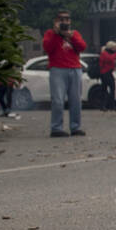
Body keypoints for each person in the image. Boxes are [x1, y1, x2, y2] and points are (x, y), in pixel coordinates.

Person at [42, 9, 87, 137]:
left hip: (75, 68)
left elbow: (82, 47)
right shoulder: (50, 33)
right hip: (57, 69)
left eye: (67, 19)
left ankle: (75, 127)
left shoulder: (74, 33)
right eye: (61, 19)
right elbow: (47, 48)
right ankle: (56, 128)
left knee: (76, 100)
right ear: (56, 21)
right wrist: (57, 34)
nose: (65, 21)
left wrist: (70, 36)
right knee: (58, 100)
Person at [98, 40, 116, 111]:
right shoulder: (104, 53)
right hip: (105, 73)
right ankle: (107, 105)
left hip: (109, 72)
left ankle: (108, 105)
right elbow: (110, 59)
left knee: (108, 89)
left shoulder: (109, 53)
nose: (115, 49)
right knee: (108, 88)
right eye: (114, 47)